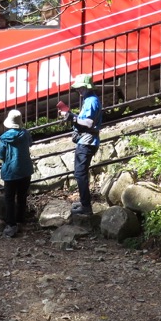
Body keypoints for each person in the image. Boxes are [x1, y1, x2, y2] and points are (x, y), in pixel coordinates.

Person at [60, 74, 102, 215]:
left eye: (80, 87)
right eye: (77, 88)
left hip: (87, 141)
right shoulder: (89, 100)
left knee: (80, 174)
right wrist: (73, 117)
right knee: (80, 174)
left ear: (87, 87)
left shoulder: (91, 101)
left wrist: (73, 118)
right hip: (86, 141)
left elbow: (89, 123)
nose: (78, 90)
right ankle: (85, 203)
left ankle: (86, 206)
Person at [0, 110, 33, 238]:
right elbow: (30, 144)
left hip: (10, 171)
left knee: (10, 198)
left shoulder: (4, 138)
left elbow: (1, 154)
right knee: (22, 195)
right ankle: (21, 219)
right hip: (25, 169)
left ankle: (11, 224)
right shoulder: (25, 133)